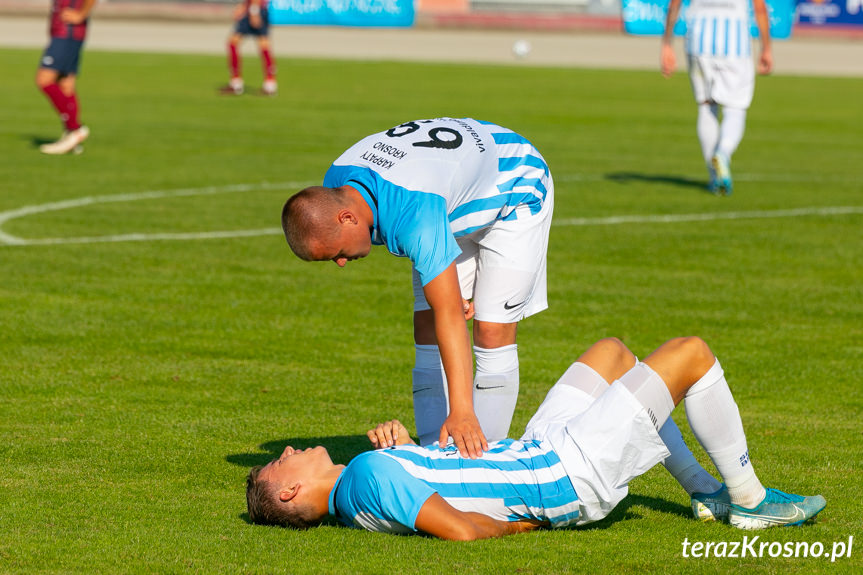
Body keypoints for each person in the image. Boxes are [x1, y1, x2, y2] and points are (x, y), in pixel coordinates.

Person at [246, 336, 826, 539]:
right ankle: (750, 502)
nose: (289, 450)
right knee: (691, 354)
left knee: (611, 353)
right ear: (292, 494)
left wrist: (403, 450)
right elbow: (459, 531)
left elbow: (437, 490)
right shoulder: (367, 479)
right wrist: (523, 524)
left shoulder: (366, 479)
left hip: (537, 452)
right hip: (560, 475)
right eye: (281, 462)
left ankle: (703, 490)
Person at [281, 118, 554, 458]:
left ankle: (482, 460)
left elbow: (450, 313)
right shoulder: (334, 187)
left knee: (491, 329)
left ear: (347, 219)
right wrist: (448, 297)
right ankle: (431, 455)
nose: (339, 263)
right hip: (447, 198)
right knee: (426, 323)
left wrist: (462, 410)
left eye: (336, 253)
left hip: (515, 184)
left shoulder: (413, 213)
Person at [660, 0, 773, 195]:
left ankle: (714, 177)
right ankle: (723, 153)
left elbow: (674, 4)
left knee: (706, 106)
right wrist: (766, 47)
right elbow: (760, 8)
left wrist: (667, 43)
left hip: (698, 39)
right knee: (735, 107)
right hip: (734, 43)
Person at [36, 0, 96, 155]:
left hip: (68, 31)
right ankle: (71, 138)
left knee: (44, 80)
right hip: (64, 31)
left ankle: (75, 129)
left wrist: (81, 14)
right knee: (65, 85)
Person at [222, 0, 277, 96]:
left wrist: (253, 11)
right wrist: (244, 7)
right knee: (264, 46)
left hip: (255, 10)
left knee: (233, 43)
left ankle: (236, 83)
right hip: (257, 9)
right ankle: (270, 85)